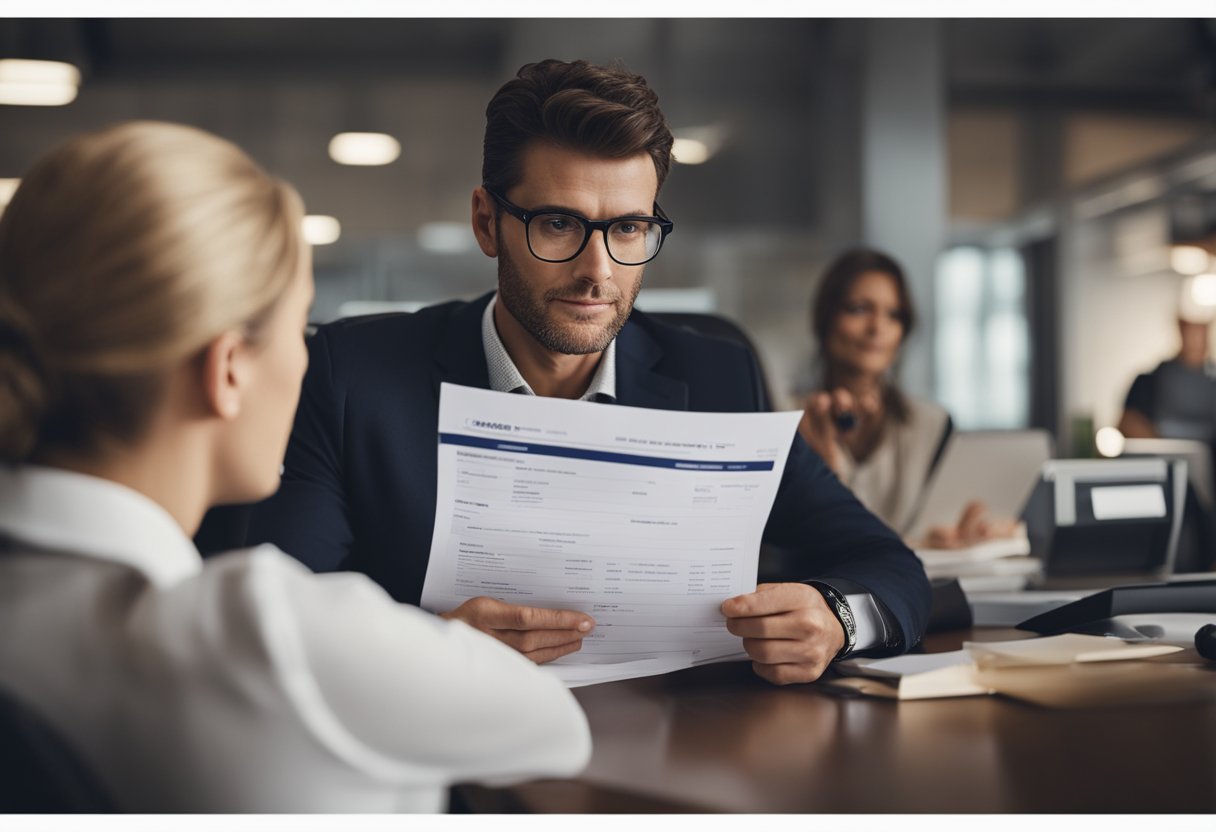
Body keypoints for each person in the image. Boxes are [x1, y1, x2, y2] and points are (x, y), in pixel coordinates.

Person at [245, 59, 932, 686]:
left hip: (680, 758)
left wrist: (838, 618)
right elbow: (275, 616)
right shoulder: (352, 377)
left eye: (629, 229)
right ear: (488, 222)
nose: (597, 271)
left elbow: (891, 567)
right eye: (557, 224)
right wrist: (428, 648)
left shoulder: (719, 379)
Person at [0, 122, 589, 812]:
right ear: (227, 371)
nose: (305, 359)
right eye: (300, 329)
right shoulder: (271, 635)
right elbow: (558, 731)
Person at [797, 248, 1014, 548]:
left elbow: (939, 526)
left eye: (894, 314)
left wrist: (966, 532)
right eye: (859, 309)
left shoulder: (932, 424)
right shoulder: (785, 419)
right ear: (825, 318)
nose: (877, 328)